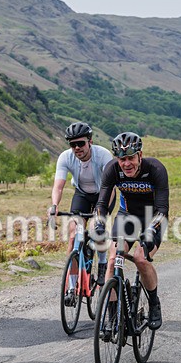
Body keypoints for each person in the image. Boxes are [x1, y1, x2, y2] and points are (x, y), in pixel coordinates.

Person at [94, 132, 169, 331]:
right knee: (113, 259)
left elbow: (162, 209)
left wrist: (150, 232)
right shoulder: (112, 169)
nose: (126, 164)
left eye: (130, 158)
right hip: (127, 216)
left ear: (140, 155)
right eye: (122, 159)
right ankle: (112, 316)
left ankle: (154, 303)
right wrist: (100, 225)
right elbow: (102, 203)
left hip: (153, 218)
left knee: (140, 258)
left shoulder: (155, 169)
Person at [48, 122, 114, 305]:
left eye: (81, 143)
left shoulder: (103, 155)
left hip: (103, 194)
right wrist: (54, 206)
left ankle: (102, 265)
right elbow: (58, 186)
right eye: (73, 144)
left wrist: (100, 213)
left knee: (97, 229)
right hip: (82, 194)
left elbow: (110, 187)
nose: (77, 148)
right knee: (73, 236)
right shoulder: (65, 157)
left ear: (90, 142)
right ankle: (71, 288)